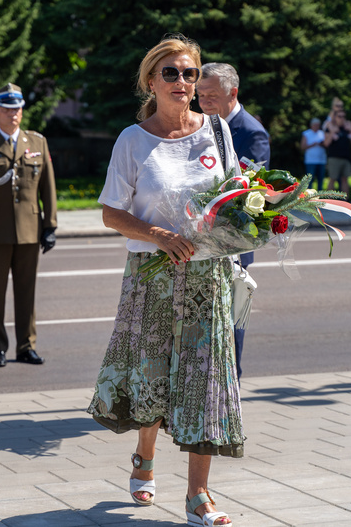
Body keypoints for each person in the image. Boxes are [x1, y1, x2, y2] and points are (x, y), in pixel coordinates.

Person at [87, 36, 241, 527]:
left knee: (205, 380)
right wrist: (158, 235)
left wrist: (253, 218)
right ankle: (145, 454)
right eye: (171, 73)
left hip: (206, 276)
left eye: (189, 73)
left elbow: (235, 197)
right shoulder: (132, 140)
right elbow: (112, 213)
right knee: (151, 375)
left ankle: (198, 495)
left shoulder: (217, 132)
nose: (182, 81)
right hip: (152, 276)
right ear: (151, 81)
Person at [0, 83, 57, 368]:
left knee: (26, 292)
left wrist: (50, 225)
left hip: (29, 230)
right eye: (6, 109)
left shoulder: (37, 142)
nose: (12, 114)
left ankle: (26, 346)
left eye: (16, 108)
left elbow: (48, 186)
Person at [197, 62, 270, 382]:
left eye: (211, 95)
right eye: (200, 95)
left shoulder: (251, 132)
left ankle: (231, 384)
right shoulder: (199, 124)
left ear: (233, 93)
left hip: (231, 244)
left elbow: (248, 189)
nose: (204, 102)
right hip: (198, 242)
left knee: (229, 318)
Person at [323, 109, 351, 195]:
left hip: (346, 158)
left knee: (345, 179)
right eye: (339, 116)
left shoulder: (347, 129)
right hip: (334, 158)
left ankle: (345, 200)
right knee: (332, 179)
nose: (342, 118)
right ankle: (329, 199)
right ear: (335, 117)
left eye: (343, 116)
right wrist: (332, 132)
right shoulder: (330, 128)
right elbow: (326, 143)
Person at [300, 118, 326, 190]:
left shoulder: (322, 133)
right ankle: (308, 194)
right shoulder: (306, 133)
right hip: (310, 161)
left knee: (320, 179)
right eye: (315, 125)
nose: (316, 126)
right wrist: (312, 144)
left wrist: (322, 144)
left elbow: (326, 144)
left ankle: (320, 194)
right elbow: (302, 147)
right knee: (309, 180)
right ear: (311, 125)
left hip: (321, 160)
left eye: (318, 125)